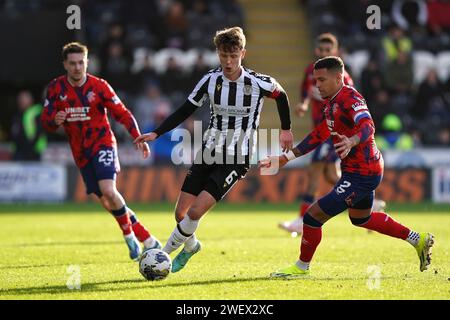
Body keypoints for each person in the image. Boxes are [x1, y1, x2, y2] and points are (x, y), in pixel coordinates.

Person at [134, 26, 294, 273]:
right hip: (210, 151)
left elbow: (281, 95)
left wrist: (286, 129)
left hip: (237, 157)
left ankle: (162, 255)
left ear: (243, 53)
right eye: (223, 55)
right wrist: (157, 132)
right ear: (217, 53)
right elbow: (185, 109)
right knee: (181, 214)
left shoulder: (258, 82)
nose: (228, 61)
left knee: (195, 211)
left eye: (233, 55)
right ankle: (191, 246)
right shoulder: (210, 80)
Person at [260, 56, 434, 277]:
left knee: (312, 217)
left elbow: (368, 126)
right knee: (362, 218)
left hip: (363, 171)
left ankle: (301, 267)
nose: (317, 85)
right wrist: (288, 157)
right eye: (316, 80)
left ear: (338, 77)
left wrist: (352, 140)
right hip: (359, 170)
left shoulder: (351, 98)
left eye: (322, 80)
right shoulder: (331, 102)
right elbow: (320, 133)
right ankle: (418, 240)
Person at [41, 42, 161, 260]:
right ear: (65, 65)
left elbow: (122, 113)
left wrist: (137, 136)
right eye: (73, 63)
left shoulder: (99, 87)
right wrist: (54, 120)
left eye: (81, 63)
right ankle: (148, 239)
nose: (77, 67)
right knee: (107, 200)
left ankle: (129, 237)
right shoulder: (55, 88)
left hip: (102, 142)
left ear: (87, 62)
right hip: (80, 152)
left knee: (108, 189)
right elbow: (46, 120)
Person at [279, 33, 385, 235]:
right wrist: (303, 104)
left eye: (328, 51)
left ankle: (302, 219)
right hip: (322, 128)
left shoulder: (342, 80)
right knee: (330, 175)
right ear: (316, 50)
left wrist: (352, 138)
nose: (324, 53)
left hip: (335, 134)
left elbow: (352, 108)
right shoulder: (311, 71)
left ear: (335, 52)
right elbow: (306, 90)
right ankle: (370, 203)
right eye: (321, 50)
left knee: (314, 172)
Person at [10, 90, 47, 161]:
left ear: (30, 100)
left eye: (23, 100)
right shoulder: (17, 115)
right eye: (20, 100)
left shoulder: (36, 112)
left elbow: (40, 131)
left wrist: (31, 146)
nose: (21, 102)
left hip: (33, 151)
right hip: (18, 151)